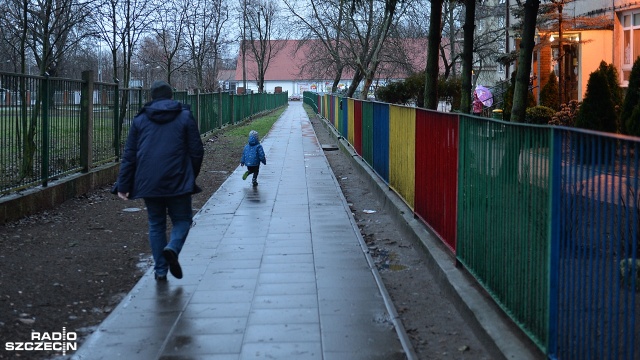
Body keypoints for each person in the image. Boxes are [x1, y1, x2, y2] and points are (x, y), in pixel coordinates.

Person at [115, 80, 204, 281]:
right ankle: (172, 247)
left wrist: (124, 184)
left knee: (156, 224)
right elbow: (197, 150)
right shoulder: (184, 116)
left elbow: (130, 154)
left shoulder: (140, 120)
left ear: (152, 97)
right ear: (171, 96)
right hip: (178, 179)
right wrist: (191, 175)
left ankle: (160, 270)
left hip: (148, 181)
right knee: (182, 220)